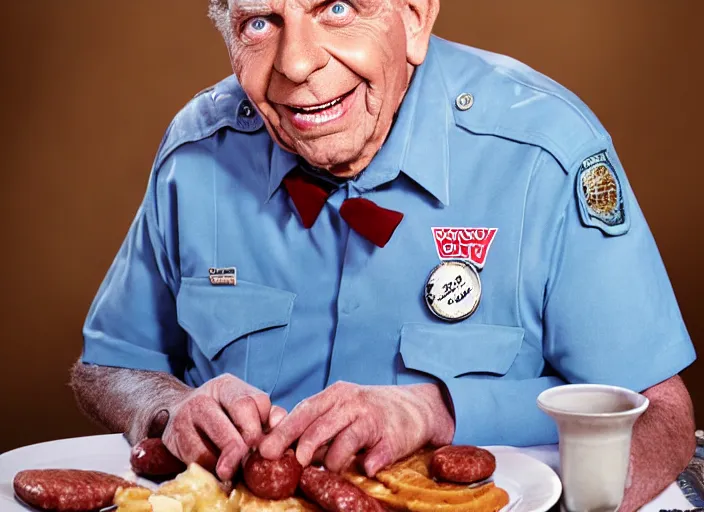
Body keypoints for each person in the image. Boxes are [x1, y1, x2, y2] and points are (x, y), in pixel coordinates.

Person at [70, 1, 697, 510]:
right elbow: (110, 366)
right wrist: (169, 405)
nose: (297, 63)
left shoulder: (546, 153)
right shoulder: (196, 153)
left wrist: (439, 410)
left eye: (337, 8)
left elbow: (662, 416)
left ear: (417, 18)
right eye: (259, 22)